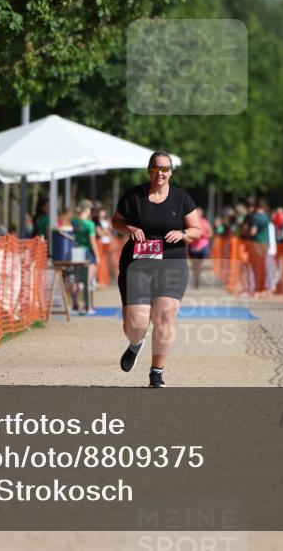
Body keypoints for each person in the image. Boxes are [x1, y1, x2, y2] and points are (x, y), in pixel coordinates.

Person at [111, 151, 200, 388]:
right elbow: (115, 221)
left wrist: (182, 233)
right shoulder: (134, 196)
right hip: (137, 263)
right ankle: (135, 344)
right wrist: (129, 228)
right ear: (149, 170)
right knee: (136, 324)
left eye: (165, 169)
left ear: (171, 172)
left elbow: (196, 230)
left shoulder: (182, 199)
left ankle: (157, 372)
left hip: (172, 261)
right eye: (155, 168)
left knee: (165, 315)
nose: (160, 173)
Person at [70, 200, 99, 315]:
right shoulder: (90, 224)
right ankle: (87, 307)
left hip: (76, 252)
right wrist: (97, 256)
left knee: (77, 280)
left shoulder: (74, 222)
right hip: (88, 254)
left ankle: (76, 304)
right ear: (87, 210)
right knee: (87, 281)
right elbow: (92, 241)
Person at [188, 207, 212, 289]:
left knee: (200, 265)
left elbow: (211, 233)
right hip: (193, 246)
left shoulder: (205, 222)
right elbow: (187, 233)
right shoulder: (191, 222)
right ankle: (196, 278)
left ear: (202, 214)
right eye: (197, 213)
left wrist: (203, 235)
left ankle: (197, 278)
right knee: (194, 265)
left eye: (199, 213)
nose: (198, 214)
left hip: (203, 246)